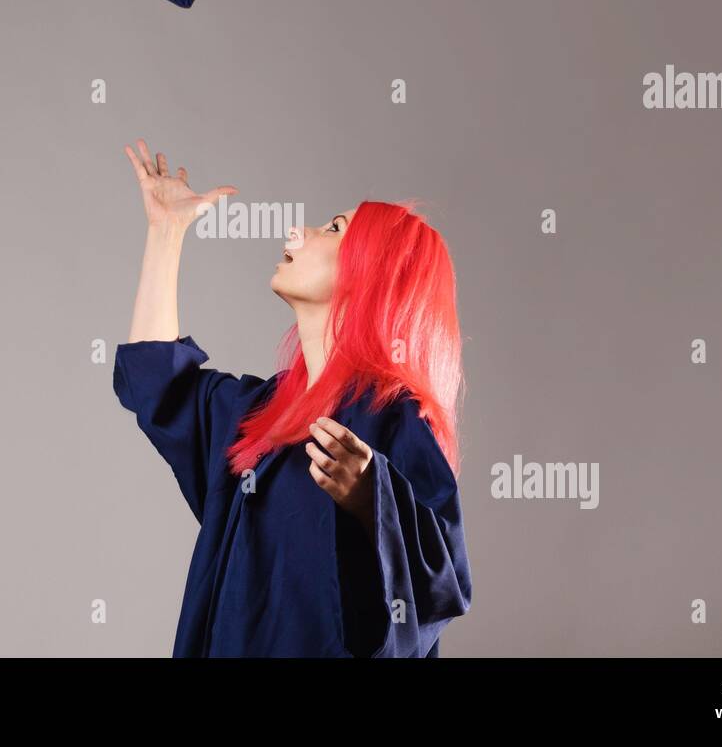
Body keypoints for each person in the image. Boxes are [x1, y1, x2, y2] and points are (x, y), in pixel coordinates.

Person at [114, 138, 472, 656]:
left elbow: (444, 582)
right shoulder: (257, 415)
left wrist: (373, 496)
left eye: (334, 229)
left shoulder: (390, 418)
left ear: (372, 272)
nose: (298, 232)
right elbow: (159, 385)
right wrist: (165, 233)